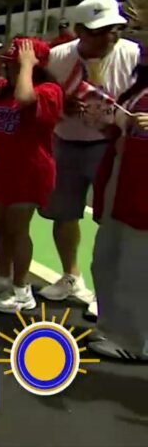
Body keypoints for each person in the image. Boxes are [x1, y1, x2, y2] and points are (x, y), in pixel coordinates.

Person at [39, 0, 140, 304]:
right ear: (80, 30)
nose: (108, 36)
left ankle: (106, 291)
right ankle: (71, 276)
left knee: (110, 220)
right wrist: (59, 103)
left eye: (114, 28)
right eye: (98, 30)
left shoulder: (134, 55)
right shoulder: (57, 57)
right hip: (66, 143)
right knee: (64, 214)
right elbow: (41, 95)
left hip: (113, 147)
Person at [0, 38, 63, 312]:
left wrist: (27, 66)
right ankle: (2, 278)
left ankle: (22, 289)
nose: (10, 70)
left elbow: (24, 98)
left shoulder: (49, 90)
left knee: (18, 229)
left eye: (14, 65)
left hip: (29, 172)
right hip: (0, 169)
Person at [88, 63, 148, 361]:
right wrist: (103, 122)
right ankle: (112, 326)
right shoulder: (139, 89)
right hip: (122, 178)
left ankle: (135, 340)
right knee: (106, 258)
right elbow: (122, 131)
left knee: (136, 268)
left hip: (142, 190)